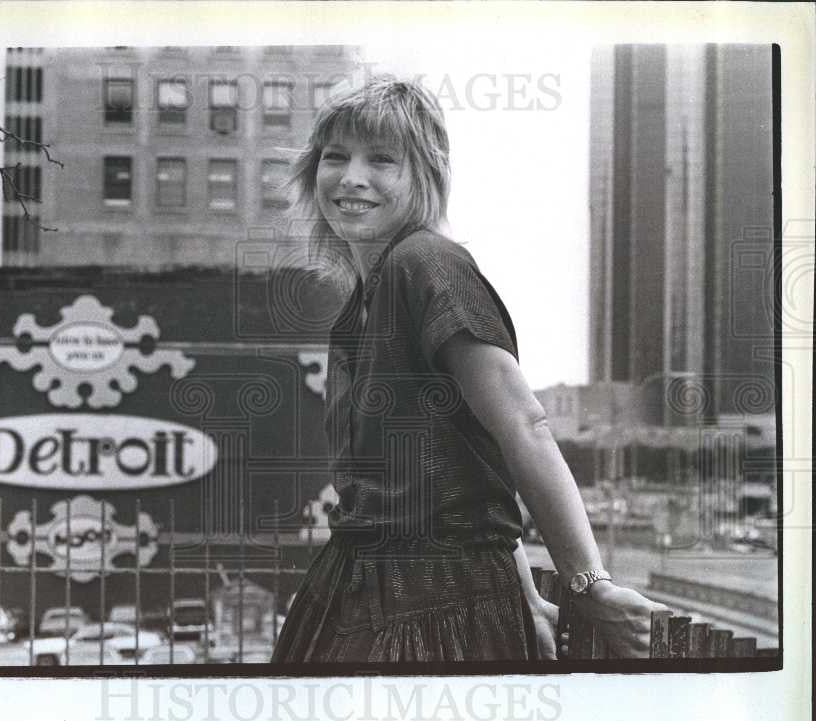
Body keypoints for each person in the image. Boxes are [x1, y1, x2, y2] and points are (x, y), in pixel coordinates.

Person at [271, 75, 666, 664]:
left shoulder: (426, 263)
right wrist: (530, 600)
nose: (353, 177)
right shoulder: (358, 306)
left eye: (382, 159)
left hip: (433, 606)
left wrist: (588, 584)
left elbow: (523, 427)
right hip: (360, 586)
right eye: (336, 157)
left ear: (423, 177)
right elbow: (468, 463)